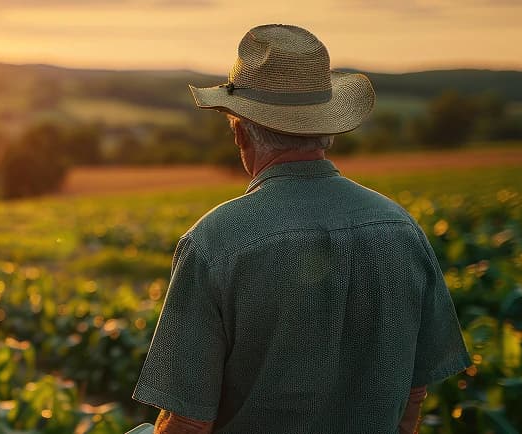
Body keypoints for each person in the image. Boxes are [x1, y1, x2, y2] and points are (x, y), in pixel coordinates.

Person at [132, 24, 471, 434]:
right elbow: (414, 394)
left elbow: (188, 422)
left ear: (240, 132)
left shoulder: (214, 242)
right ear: (327, 130)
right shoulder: (401, 227)